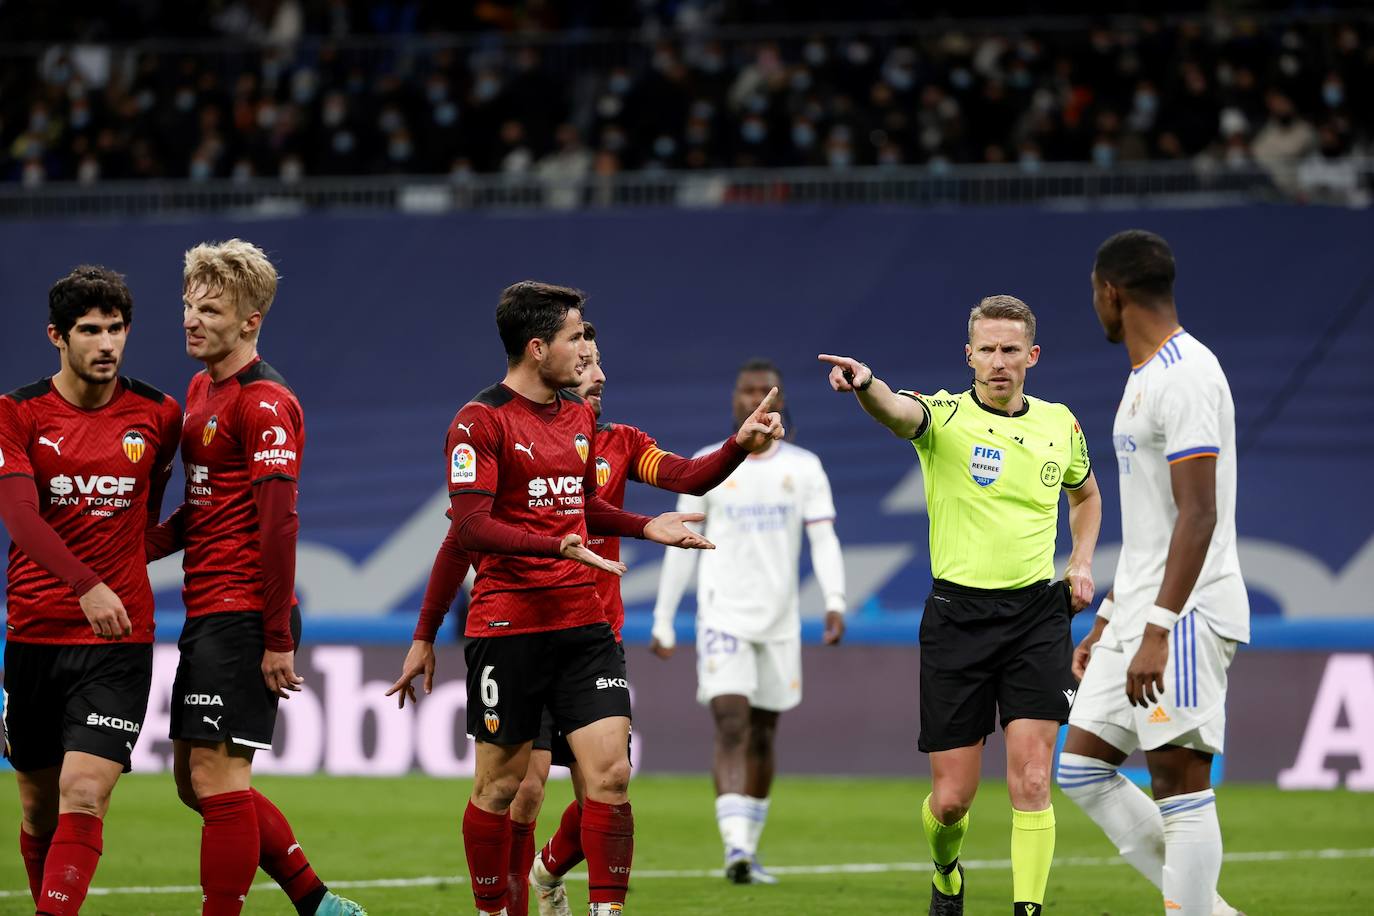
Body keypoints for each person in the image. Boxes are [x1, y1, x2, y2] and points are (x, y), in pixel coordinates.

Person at [387, 321, 783, 916]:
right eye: (585, 359)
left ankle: (553, 873)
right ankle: (513, 902)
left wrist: (734, 449)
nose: (594, 374)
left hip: (594, 628)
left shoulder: (615, 441)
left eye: (598, 364)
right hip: (519, 629)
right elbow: (460, 538)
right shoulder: (510, 430)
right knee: (522, 792)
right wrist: (425, 631)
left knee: (608, 782)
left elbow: (684, 477)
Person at [818, 294, 1102, 916]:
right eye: (988, 349)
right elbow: (896, 412)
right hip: (956, 621)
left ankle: (1028, 910)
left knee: (1032, 778)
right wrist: (867, 384)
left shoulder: (1060, 423)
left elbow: (1085, 496)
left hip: (1036, 617)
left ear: (1033, 356)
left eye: (1011, 350)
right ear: (968, 354)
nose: (999, 361)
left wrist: (1080, 561)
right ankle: (947, 872)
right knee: (952, 802)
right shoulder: (943, 417)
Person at [146, 239, 366, 916]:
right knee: (194, 780)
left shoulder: (266, 404)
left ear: (251, 320)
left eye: (211, 309)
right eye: (188, 304)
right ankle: (317, 903)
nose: (192, 318)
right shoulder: (202, 390)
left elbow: (277, 527)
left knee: (218, 776)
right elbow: (204, 505)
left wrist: (276, 637)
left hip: (246, 613)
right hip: (210, 607)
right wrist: (129, 550)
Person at [1057, 230, 1248, 916]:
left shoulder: (1189, 374)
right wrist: (1110, 619)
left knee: (1179, 782)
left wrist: (1159, 628)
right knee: (1080, 766)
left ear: (1112, 293)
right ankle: (1209, 910)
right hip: (1138, 608)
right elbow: (1151, 525)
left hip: (1188, 613)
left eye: (1094, 295)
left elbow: (1198, 515)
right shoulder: (1144, 378)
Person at [0, 266, 181, 916]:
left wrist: (122, 575)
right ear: (57, 336)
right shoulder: (17, 412)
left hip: (119, 640)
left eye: (116, 329)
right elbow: (20, 517)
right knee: (37, 805)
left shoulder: (159, 415)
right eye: (90, 330)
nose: (106, 343)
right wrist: (87, 583)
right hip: (34, 635)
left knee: (84, 791)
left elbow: (147, 521)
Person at [649, 358, 847, 886]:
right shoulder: (707, 464)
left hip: (780, 621)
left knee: (763, 732)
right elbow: (678, 544)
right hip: (722, 616)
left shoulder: (803, 467)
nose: (755, 398)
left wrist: (835, 599)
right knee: (732, 723)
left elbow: (822, 537)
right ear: (735, 401)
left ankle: (748, 849)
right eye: (746, 391)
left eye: (765, 390)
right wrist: (664, 618)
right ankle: (735, 847)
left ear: (778, 402)